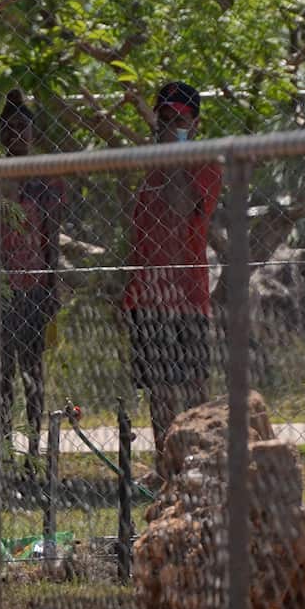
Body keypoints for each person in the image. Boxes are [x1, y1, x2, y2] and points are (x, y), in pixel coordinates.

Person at [123, 81, 220, 481]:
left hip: (187, 295)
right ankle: (168, 466)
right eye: (163, 119)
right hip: (149, 297)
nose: (169, 126)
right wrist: (129, 292)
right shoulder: (149, 169)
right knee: (158, 391)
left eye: (179, 119)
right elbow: (140, 235)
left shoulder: (205, 164)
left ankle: (201, 462)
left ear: (194, 123)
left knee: (194, 386)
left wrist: (175, 153)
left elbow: (182, 209)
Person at [0, 90, 64, 459]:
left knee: (32, 371)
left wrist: (53, 288)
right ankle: (5, 445)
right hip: (0, 290)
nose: (18, 134)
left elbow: (51, 237)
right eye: (11, 127)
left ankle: (35, 448)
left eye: (24, 127)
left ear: (33, 133)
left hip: (34, 286)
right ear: (2, 134)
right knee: (1, 374)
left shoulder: (45, 181)